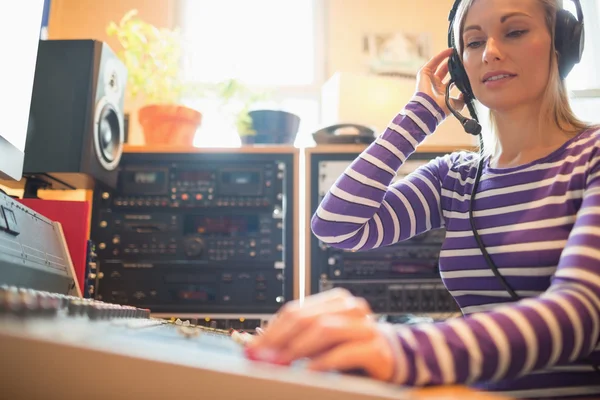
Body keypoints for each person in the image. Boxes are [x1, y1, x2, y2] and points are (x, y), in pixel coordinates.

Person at [245, 0, 600, 398]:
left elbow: (582, 312)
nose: (490, 52)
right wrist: (422, 113)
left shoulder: (594, 155)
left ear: (563, 45)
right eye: (473, 41)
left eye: (514, 32)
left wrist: (400, 349)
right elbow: (336, 226)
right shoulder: (456, 177)